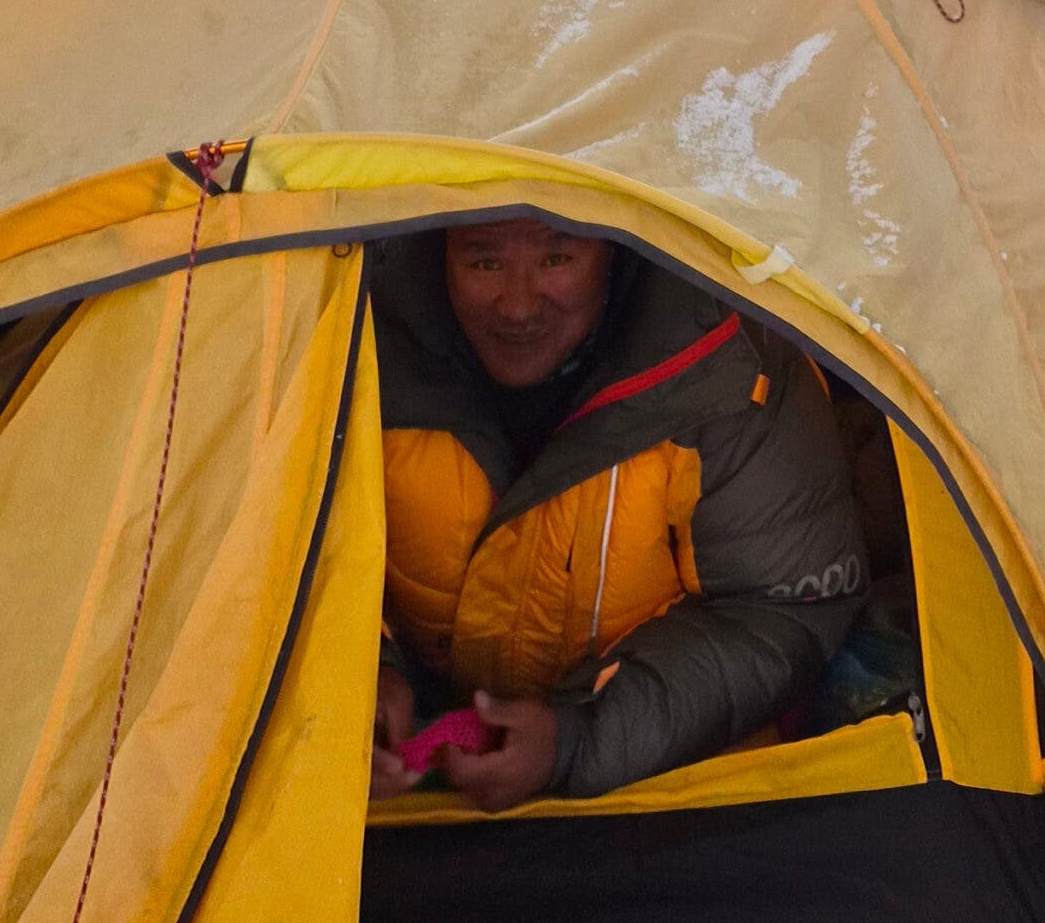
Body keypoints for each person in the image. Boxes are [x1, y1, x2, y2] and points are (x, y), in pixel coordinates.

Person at [369, 218, 867, 810]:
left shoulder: (729, 369)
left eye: (557, 260)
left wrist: (579, 738)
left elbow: (781, 608)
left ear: (614, 249)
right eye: (484, 263)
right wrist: (362, 675)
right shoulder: (354, 345)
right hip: (410, 799)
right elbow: (291, 558)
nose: (519, 306)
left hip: (666, 793)